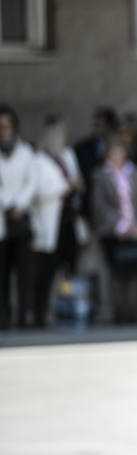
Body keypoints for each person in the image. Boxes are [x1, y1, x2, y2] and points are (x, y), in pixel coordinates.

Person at [89, 136, 137, 324]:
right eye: (112, 152)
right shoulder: (100, 175)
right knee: (116, 274)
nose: (116, 156)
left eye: (119, 152)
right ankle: (120, 312)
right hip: (113, 232)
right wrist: (121, 226)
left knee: (136, 272)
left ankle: (135, 311)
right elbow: (99, 205)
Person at [30, 118, 80, 328]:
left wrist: (75, 185)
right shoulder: (39, 161)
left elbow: (76, 180)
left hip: (69, 220)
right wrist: (65, 186)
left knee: (70, 268)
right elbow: (38, 191)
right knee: (46, 271)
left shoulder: (67, 156)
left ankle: (66, 311)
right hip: (50, 221)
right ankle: (40, 314)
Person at [0, 105, 37, 330]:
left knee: (24, 272)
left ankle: (24, 315)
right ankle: (3, 317)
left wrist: (20, 204)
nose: (2, 131)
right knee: (2, 274)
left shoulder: (26, 153)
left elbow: (31, 182)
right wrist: (8, 203)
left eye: (5, 126)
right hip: (2, 218)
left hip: (22, 220)